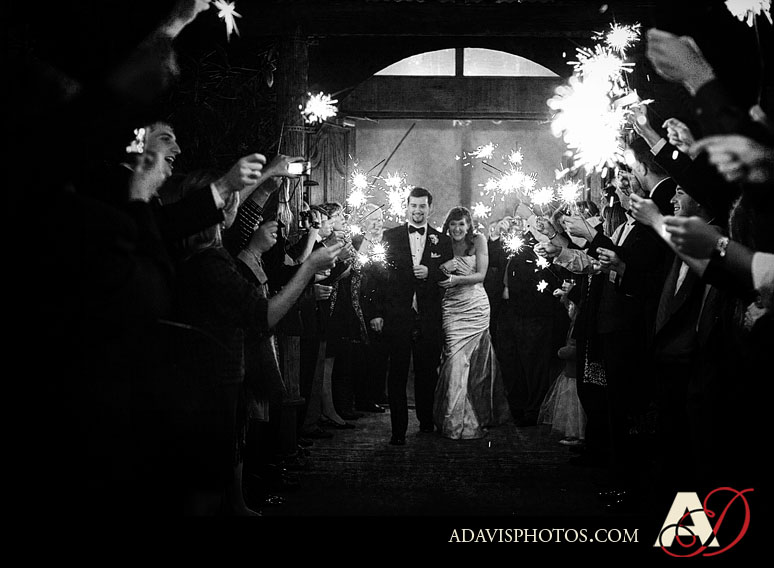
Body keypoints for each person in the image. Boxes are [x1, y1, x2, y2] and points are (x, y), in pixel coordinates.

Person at [368, 187, 453, 445]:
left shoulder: (443, 241)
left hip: (428, 317)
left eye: (422, 206)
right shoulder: (390, 236)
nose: (417, 211)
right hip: (397, 315)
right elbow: (376, 276)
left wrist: (431, 273)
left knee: (427, 372)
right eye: (413, 206)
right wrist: (376, 313)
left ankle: (426, 422)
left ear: (430, 208)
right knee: (398, 374)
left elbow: (448, 277)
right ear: (406, 206)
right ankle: (398, 432)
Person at [433, 207, 510, 439]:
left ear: (468, 226)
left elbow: (481, 276)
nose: (457, 229)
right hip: (452, 308)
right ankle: (453, 419)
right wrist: (442, 269)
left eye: (462, 225)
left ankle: (473, 416)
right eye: (453, 224)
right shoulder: (441, 243)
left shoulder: (479, 240)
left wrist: (457, 277)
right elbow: (433, 276)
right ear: (448, 225)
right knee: (454, 361)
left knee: (475, 364)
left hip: (475, 305)